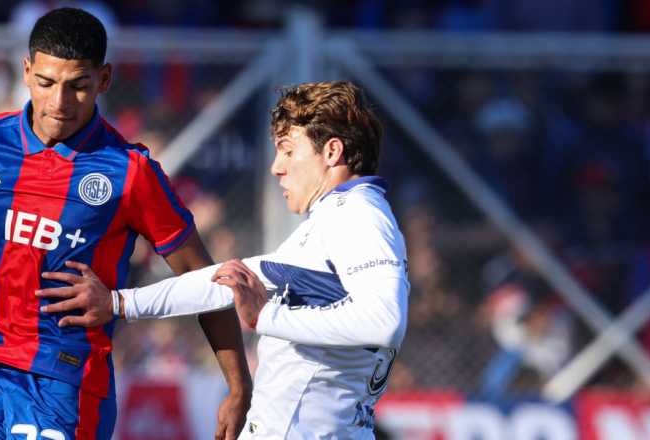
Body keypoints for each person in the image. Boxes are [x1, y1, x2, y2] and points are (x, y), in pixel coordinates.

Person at [0, 7, 252, 440]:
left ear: (104, 80)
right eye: (47, 83)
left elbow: (201, 277)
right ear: (27, 71)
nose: (59, 103)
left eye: (78, 87)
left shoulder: (128, 172)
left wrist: (238, 384)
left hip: (67, 387)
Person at [37, 81, 409, 439]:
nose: (276, 166)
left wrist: (266, 316)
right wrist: (120, 302)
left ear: (332, 152)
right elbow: (223, 281)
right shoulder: (330, 222)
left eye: (288, 150)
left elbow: (384, 321)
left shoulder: (359, 215)